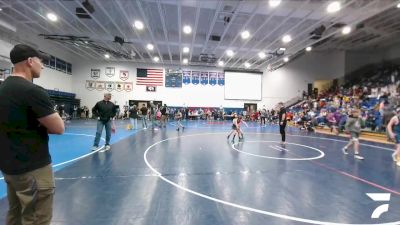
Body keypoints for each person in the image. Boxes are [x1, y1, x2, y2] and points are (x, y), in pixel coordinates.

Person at [0, 44, 65, 225]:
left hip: (9, 166)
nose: (42, 66)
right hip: (33, 167)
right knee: (37, 217)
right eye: (40, 61)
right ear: (30, 61)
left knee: (16, 214)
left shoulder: (3, 88)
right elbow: (59, 127)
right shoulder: (32, 91)